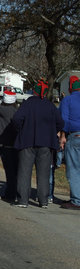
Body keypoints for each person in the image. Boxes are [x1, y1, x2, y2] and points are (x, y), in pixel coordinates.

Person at [11, 79, 64, 208]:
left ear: (34, 91)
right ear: (45, 93)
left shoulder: (27, 104)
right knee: (44, 173)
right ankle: (43, 201)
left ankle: (23, 200)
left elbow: (16, 119)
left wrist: (21, 130)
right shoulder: (50, 106)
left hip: (27, 142)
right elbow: (60, 123)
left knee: (24, 172)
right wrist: (51, 132)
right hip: (46, 144)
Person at [0, 90, 18, 202]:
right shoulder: (16, 111)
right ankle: (12, 192)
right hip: (14, 145)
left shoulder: (5, 110)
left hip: (6, 145)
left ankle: (10, 194)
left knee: (9, 172)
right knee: (14, 172)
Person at [59, 76, 80, 210]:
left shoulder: (68, 100)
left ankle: (76, 200)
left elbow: (64, 120)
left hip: (75, 136)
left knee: (73, 168)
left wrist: (62, 135)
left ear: (70, 87)